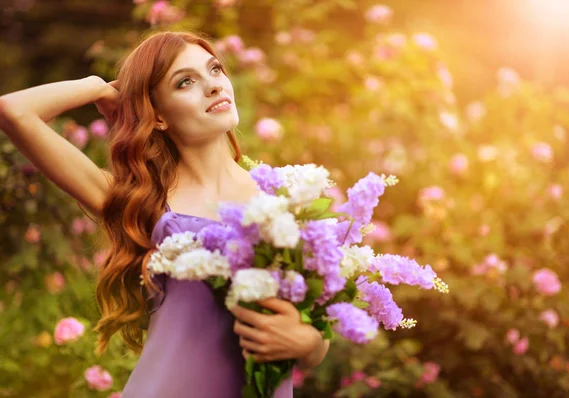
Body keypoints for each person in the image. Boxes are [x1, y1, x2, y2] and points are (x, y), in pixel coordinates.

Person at [0, 30, 329, 397]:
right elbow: (14, 111)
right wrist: (97, 88)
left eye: (215, 70)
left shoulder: (287, 199)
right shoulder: (142, 204)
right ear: (157, 115)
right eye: (185, 81)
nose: (213, 86)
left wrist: (306, 342)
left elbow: (316, 343)